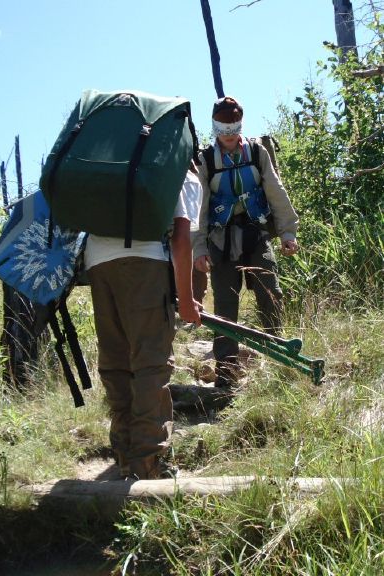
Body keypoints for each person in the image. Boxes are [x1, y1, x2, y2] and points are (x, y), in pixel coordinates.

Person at [85, 162, 202, 480]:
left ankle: (124, 453)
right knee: (151, 363)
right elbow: (180, 237)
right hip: (145, 260)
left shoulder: (114, 163)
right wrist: (187, 300)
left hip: (97, 260)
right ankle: (149, 463)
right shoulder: (179, 171)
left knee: (116, 361)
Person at [193, 96, 299, 389]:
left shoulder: (256, 151)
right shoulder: (205, 161)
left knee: (270, 292)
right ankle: (226, 373)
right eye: (223, 127)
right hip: (220, 242)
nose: (228, 133)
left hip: (256, 235)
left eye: (233, 126)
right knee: (226, 307)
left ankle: (281, 359)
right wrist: (198, 248)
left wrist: (288, 231)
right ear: (215, 127)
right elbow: (198, 208)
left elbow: (275, 191)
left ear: (241, 124)